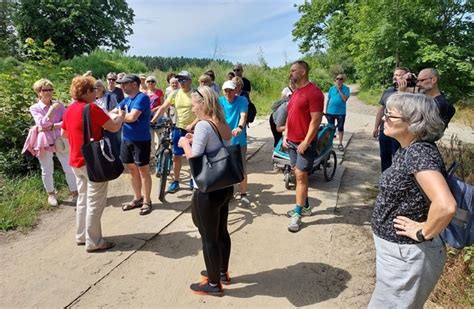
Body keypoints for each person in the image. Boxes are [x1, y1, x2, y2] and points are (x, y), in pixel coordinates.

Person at [369, 92, 456, 308]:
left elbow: (445, 205)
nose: (383, 119)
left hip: (408, 257)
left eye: (390, 115)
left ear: (414, 122)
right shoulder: (408, 149)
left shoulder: (420, 153)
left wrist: (423, 231)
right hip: (399, 255)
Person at [178, 86, 233, 296]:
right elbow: (216, 147)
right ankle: (221, 272)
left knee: (208, 236)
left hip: (207, 189)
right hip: (224, 185)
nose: (193, 109)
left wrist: (184, 143)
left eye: (193, 104)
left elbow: (195, 159)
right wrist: (195, 141)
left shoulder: (203, 126)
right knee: (221, 231)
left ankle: (212, 284)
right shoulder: (221, 123)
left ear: (203, 103)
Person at [62, 75, 124, 252]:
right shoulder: (91, 108)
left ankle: (81, 236)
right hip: (92, 161)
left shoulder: (70, 109)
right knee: (95, 202)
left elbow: (64, 134)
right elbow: (113, 127)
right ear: (87, 92)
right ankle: (95, 242)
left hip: (75, 160)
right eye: (94, 90)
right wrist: (120, 116)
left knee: (83, 199)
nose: (96, 93)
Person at [284, 60, 324, 233]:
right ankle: (306, 205)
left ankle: (298, 213)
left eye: (293, 70)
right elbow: (290, 115)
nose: (290, 73)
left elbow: (316, 120)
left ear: (303, 72)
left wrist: (306, 141)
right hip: (291, 141)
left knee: (300, 175)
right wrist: (285, 134)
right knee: (296, 172)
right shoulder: (296, 92)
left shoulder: (314, 92)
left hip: (303, 142)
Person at [28, 78, 78, 206]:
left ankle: (75, 193)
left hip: (61, 139)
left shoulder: (59, 105)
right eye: (45, 90)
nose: (49, 92)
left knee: (68, 166)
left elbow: (66, 122)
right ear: (38, 92)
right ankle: (51, 194)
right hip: (44, 141)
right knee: (46, 168)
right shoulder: (35, 108)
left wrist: (51, 126)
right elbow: (41, 123)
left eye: (50, 89)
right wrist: (51, 111)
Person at [152, 71, 197, 193]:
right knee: (176, 156)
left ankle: (193, 179)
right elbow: (163, 107)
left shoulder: (195, 94)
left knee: (192, 156)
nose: (181, 82)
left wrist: (192, 124)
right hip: (179, 127)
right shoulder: (175, 93)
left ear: (190, 81)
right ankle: (176, 181)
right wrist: (153, 120)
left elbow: (203, 111)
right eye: (179, 80)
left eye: (184, 80)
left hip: (193, 130)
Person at [116, 74, 153, 215]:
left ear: (134, 84)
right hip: (126, 139)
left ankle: (147, 201)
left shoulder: (142, 98)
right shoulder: (126, 100)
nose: (122, 86)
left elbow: (132, 118)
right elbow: (112, 112)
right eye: (122, 84)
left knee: (143, 170)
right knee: (131, 169)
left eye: (125, 83)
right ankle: (137, 198)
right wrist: (118, 115)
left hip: (141, 140)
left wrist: (119, 117)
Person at [372, 67, 412, 172]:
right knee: (384, 156)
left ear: (406, 76)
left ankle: (396, 182)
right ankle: (385, 180)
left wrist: (402, 91)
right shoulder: (388, 91)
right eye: (394, 75)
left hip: (399, 132)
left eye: (398, 75)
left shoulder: (411, 93)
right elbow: (381, 110)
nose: (394, 77)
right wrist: (376, 127)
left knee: (397, 157)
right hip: (384, 130)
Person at [219, 80, 250, 206]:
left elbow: (243, 116)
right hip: (223, 139)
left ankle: (243, 194)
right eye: (226, 90)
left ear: (236, 90)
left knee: (241, 168)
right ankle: (228, 193)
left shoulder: (242, 100)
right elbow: (215, 116)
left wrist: (240, 127)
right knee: (224, 168)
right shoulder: (219, 101)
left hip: (238, 139)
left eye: (231, 90)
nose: (228, 93)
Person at [95, 79, 121, 158]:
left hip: (110, 123)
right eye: (95, 87)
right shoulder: (92, 100)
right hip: (99, 127)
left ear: (103, 87)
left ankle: (117, 160)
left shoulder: (110, 97)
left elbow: (117, 108)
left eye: (99, 86)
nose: (97, 88)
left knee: (114, 143)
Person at [325, 74, 350, 151]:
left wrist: (339, 90)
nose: (339, 80)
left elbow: (345, 99)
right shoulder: (331, 89)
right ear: (335, 80)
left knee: (340, 128)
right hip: (330, 111)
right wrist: (326, 110)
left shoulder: (346, 89)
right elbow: (328, 100)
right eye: (337, 79)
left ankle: (340, 143)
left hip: (340, 112)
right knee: (330, 128)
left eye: (341, 79)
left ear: (343, 81)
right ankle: (330, 144)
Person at [146, 75, 165, 154]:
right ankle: (153, 154)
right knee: (150, 137)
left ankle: (161, 153)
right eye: (149, 81)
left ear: (155, 83)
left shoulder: (159, 92)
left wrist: (154, 109)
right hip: (148, 116)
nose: (150, 83)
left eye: (152, 81)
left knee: (160, 136)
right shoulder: (144, 93)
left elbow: (162, 104)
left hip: (158, 115)